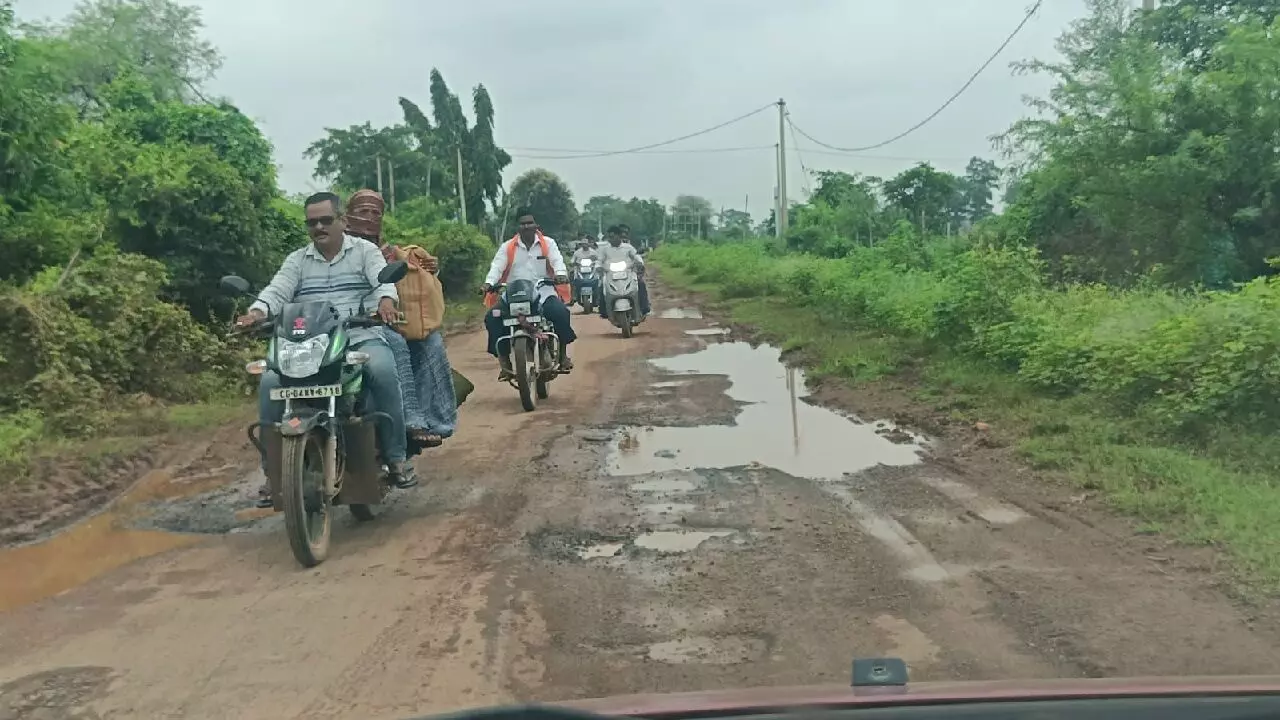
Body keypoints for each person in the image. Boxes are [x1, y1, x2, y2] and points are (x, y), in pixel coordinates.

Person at [237, 191, 416, 509]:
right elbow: (276, 291)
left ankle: (396, 458)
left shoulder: (365, 252)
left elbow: (383, 283)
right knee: (269, 382)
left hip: (358, 335)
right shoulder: (297, 260)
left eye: (325, 220)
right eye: (312, 223)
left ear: (342, 221)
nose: (318, 227)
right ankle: (273, 474)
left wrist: (386, 302)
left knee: (383, 369)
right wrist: (256, 313)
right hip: (309, 345)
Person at [344, 189, 459, 450]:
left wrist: (425, 267)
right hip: (349, 326)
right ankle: (410, 419)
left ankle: (437, 420)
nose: (369, 217)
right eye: (363, 212)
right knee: (395, 341)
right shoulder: (338, 251)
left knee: (431, 342)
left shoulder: (387, 252)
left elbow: (389, 284)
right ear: (347, 217)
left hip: (382, 319)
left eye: (375, 213)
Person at [481, 208, 576, 377]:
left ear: (536, 225)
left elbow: (557, 261)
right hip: (513, 294)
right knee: (492, 318)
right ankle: (504, 362)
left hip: (542, 293)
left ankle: (562, 356)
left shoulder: (548, 244)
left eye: (529, 223)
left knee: (561, 313)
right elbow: (496, 267)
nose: (526, 226)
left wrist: (561, 274)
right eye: (523, 223)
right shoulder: (507, 247)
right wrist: (488, 283)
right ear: (517, 227)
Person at [598, 224, 651, 318]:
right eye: (609, 237)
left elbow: (636, 256)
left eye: (612, 237)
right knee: (602, 286)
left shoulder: (628, 247)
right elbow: (599, 260)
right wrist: (598, 266)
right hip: (611, 274)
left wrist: (640, 263)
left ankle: (644, 307)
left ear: (619, 236)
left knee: (640, 283)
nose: (610, 239)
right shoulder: (605, 249)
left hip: (628, 273)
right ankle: (603, 310)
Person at [570, 236, 599, 306]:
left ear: (588, 244)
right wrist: (573, 263)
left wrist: (596, 263)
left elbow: (598, 260)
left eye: (586, 243)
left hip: (591, 269)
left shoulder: (593, 252)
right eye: (583, 244)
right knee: (571, 276)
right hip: (579, 269)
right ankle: (573, 296)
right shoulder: (577, 252)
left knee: (598, 279)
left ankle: (598, 298)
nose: (584, 245)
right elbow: (572, 260)